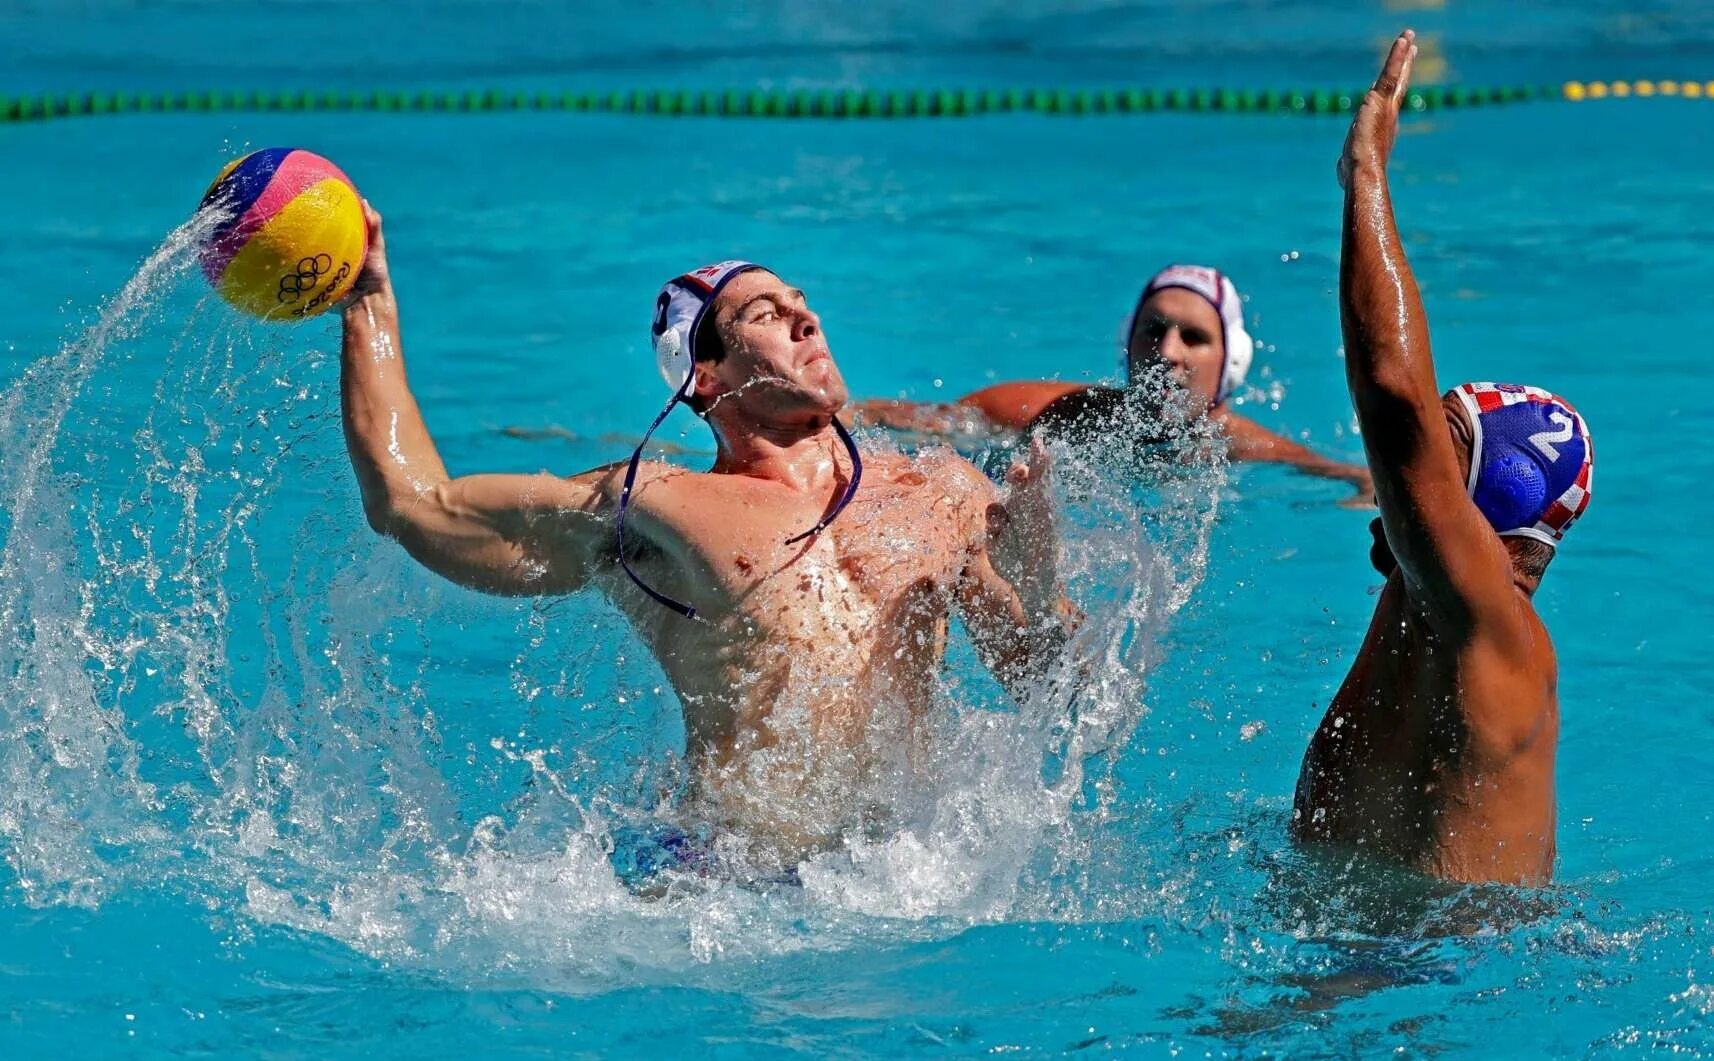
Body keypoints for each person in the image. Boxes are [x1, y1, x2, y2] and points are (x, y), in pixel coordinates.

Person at [338, 221, 1073, 880]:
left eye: (800, 303)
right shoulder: (657, 509)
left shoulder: (939, 488)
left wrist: (1037, 586)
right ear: (705, 376)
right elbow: (411, 505)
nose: (806, 318)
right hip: (722, 883)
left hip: (901, 877)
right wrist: (368, 302)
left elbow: (1056, 693)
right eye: (767, 314)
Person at [1291, 31, 1594, 885]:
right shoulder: (1433, 633)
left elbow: (1392, 392)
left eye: (1438, 452)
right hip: (1393, 966)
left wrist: (1366, 180)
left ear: (1482, 506)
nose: (1392, 479)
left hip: (1447, 976)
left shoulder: (1491, 631)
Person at [853, 264, 1373, 500]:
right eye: (1154, 331)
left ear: (1230, 362)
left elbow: (1346, 473)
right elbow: (892, 418)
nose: (1167, 353)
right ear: (1128, 344)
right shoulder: (1053, 412)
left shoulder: (1236, 443)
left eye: (1192, 337)